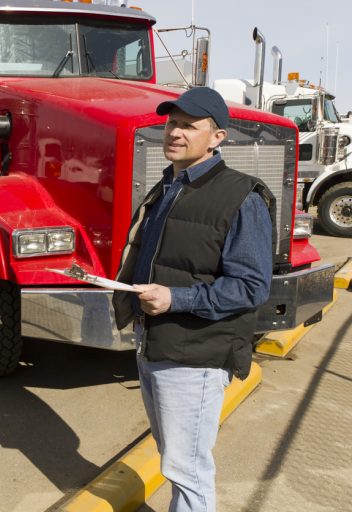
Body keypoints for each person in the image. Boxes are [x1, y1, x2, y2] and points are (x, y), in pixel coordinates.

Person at [112, 87, 274, 512]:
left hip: (195, 356)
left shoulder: (241, 197)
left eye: (189, 125)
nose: (175, 133)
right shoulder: (170, 186)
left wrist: (174, 299)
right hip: (156, 344)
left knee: (188, 470)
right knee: (175, 460)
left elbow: (251, 286)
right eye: (171, 123)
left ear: (217, 138)